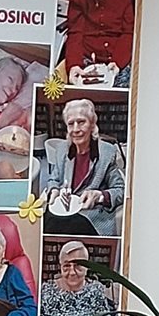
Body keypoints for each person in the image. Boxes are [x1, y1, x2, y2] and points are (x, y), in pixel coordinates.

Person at [35, 95, 125, 233]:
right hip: (62, 209)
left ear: (92, 124)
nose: (76, 129)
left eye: (81, 122)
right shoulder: (61, 149)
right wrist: (54, 191)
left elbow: (121, 190)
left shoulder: (107, 153)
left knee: (69, 226)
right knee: (44, 224)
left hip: (91, 214)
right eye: (71, 124)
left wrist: (99, 196)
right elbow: (54, 179)